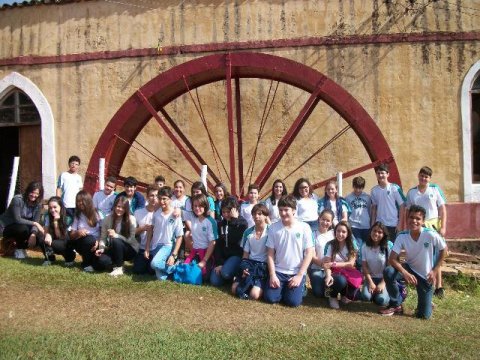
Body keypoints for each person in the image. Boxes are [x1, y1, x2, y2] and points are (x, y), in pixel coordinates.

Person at [381, 205, 447, 319]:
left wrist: (435, 270)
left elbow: (444, 250)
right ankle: (396, 304)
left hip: (425, 276)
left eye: (418, 218)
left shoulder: (430, 234)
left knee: (423, 316)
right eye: (411, 217)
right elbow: (392, 259)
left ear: (423, 221)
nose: (414, 221)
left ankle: (426, 303)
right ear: (407, 219)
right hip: (408, 269)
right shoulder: (402, 236)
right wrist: (404, 272)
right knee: (388, 272)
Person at [264, 195, 314, 307]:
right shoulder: (273, 228)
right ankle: (283, 288)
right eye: (280, 210)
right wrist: (272, 275)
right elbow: (270, 254)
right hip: (279, 272)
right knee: (270, 298)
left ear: (294, 210)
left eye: (286, 210)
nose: (283, 213)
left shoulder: (304, 227)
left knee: (293, 302)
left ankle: (301, 286)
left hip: (295, 272)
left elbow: (309, 253)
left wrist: (300, 275)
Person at [406, 166, 447, 298]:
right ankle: (425, 281)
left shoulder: (434, 189)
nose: (424, 178)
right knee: (423, 254)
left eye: (426, 176)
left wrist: (443, 227)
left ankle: (439, 286)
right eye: (422, 175)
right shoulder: (412, 192)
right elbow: (408, 210)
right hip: (418, 225)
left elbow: (442, 209)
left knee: (436, 255)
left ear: (429, 178)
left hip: (433, 225)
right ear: (418, 176)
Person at [232, 203, 269, 300]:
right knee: (234, 289)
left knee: (254, 295)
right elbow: (245, 255)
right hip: (250, 264)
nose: (256, 216)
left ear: (265, 216)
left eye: (260, 214)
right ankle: (249, 284)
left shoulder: (271, 232)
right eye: (254, 214)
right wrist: (244, 268)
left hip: (264, 266)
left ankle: (261, 285)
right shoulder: (248, 232)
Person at [94, 195, 137, 276]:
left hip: (129, 249)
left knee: (116, 240)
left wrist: (116, 235)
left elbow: (131, 239)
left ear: (126, 209)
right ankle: (114, 263)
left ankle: (119, 268)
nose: (120, 209)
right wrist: (102, 248)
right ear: (114, 206)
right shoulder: (107, 219)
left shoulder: (131, 219)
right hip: (113, 248)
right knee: (101, 263)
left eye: (123, 207)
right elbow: (103, 238)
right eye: (118, 206)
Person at [0, 181, 44, 259]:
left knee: (39, 235)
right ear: (28, 191)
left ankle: (47, 255)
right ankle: (19, 249)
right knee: (23, 229)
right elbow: (17, 219)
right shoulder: (17, 199)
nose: (34, 195)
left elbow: (36, 220)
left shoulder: (38, 204)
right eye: (32, 192)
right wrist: (35, 224)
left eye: (37, 193)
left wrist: (33, 234)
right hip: (7, 226)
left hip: (24, 227)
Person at [210, 197, 248, 287]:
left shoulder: (242, 223)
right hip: (224, 257)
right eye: (223, 212)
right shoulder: (221, 224)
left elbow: (235, 239)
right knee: (214, 281)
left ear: (234, 210)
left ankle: (233, 274)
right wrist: (219, 263)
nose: (226, 214)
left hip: (236, 256)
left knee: (225, 273)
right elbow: (218, 245)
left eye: (228, 212)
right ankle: (228, 275)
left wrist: (234, 221)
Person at [149, 187, 184, 280]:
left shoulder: (175, 215)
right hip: (155, 246)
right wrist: (147, 248)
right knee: (161, 278)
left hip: (167, 246)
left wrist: (173, 255)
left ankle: (174, 267)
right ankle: (172, 270)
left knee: (154, 264)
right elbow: (151, 230)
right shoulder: (156, 213)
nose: (162, 201)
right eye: (160, 198)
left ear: (170, 199)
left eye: (164, 199)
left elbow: (180, 236)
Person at [323, 221, 360, 309]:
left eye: (343, 232)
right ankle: (332, 296)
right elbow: (327, 265)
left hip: (348, 273)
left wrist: (334, 263)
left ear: (348, 233)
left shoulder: (352, 245)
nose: (340, 234)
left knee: (357, 295)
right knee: (340, 280)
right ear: (335, 231)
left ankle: (344, 295)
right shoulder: (330, 244)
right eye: (338, 231)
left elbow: (351, 264)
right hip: (334, 274)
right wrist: (328, 276)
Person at [183, 194, 218, 279]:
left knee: (204, 277)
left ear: (205, 206)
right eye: (195, 206)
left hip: (207, 254)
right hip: (195, 252)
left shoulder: (211, 222)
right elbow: (181, 211)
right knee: (185, 271)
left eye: (200, 206)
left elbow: (212, 242)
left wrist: (204, 261)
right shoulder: (193, 218)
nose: (197, 208)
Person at [370, 163, 406, 242]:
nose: (380, 175)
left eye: (382, 173)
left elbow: (402, 206)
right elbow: (374, 209)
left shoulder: (394, 188)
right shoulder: (374, 190)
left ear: (388, 174)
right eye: (378, 173)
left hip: (392, 224)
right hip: (379, 224)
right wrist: (373, 224)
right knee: (380, 248)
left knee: (391, 248)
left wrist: (399, 224)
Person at [360, 222, 392, 308]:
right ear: (370, 231)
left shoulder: (388, 246)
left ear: (384, 234)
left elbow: (389, 267)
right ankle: (373, 292)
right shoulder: (364, 246)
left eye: (380, 232)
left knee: (381, 301)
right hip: (371, 278)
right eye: (374, 231)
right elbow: (364, 266)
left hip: (384, 279)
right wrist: (370, 282)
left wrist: (382, 283)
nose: (376, 234)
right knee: (365, 297)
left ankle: (387, 293)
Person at [69, 190, 101, 272]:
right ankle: (86, 263)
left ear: (88, 201)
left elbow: (103, 231)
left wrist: (98, 241)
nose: (80, 203)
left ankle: (92, 262)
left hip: (97, 243)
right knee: (89, 240)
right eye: (78, 201)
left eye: (82, 201)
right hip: (82, 242)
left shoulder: (97, 213)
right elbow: (71, 235)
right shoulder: (78, 214)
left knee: (102, 261)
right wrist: (78, 232)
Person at [40, 196, 76, 266]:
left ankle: (70, 258)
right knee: (42, 240)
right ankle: (50, 258)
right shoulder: (48, 216)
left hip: (65, 242)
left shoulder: (68, 217)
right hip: (55, 239)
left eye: (55, 207)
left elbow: (61, 237)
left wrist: (56, 222)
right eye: (50, 208)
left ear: (61, 207)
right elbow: (46, 231)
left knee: (55, 244)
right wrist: (47, 235)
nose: (52, 210)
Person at [132, 185, 158, 274]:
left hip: (155, 248)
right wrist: (141, 228)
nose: (154, 198)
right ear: (147, 197)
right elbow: (132, 232)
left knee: (151, 271)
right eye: (152, 195)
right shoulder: (138, 212)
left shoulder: (161, 213)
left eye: (156, 196)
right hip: (142, 248)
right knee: (138, 270)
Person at [308, 209, 335, 298]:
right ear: (319, 219)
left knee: (328, 294)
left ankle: (329, 287)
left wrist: (329, 266)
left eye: (328, 221)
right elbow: (312, 255)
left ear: (331, 223)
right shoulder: (313, 234)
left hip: (332, 268)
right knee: (318, 293)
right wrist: (322, 264)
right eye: (323, 219)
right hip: (316, 268)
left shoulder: (334, 234)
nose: (325, 222)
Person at [345, 176, 371, 248]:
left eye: (360, 188)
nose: (358, 190)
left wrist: (371, 223)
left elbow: (369, 210)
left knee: (366, 246)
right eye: (356, 187)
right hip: (354, 225)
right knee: (357, 245)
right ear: (353, 186)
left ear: (363, 188)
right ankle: (357, 259)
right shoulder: (348, 198)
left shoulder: (367, 197)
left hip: (366, 225)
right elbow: (347, 212)